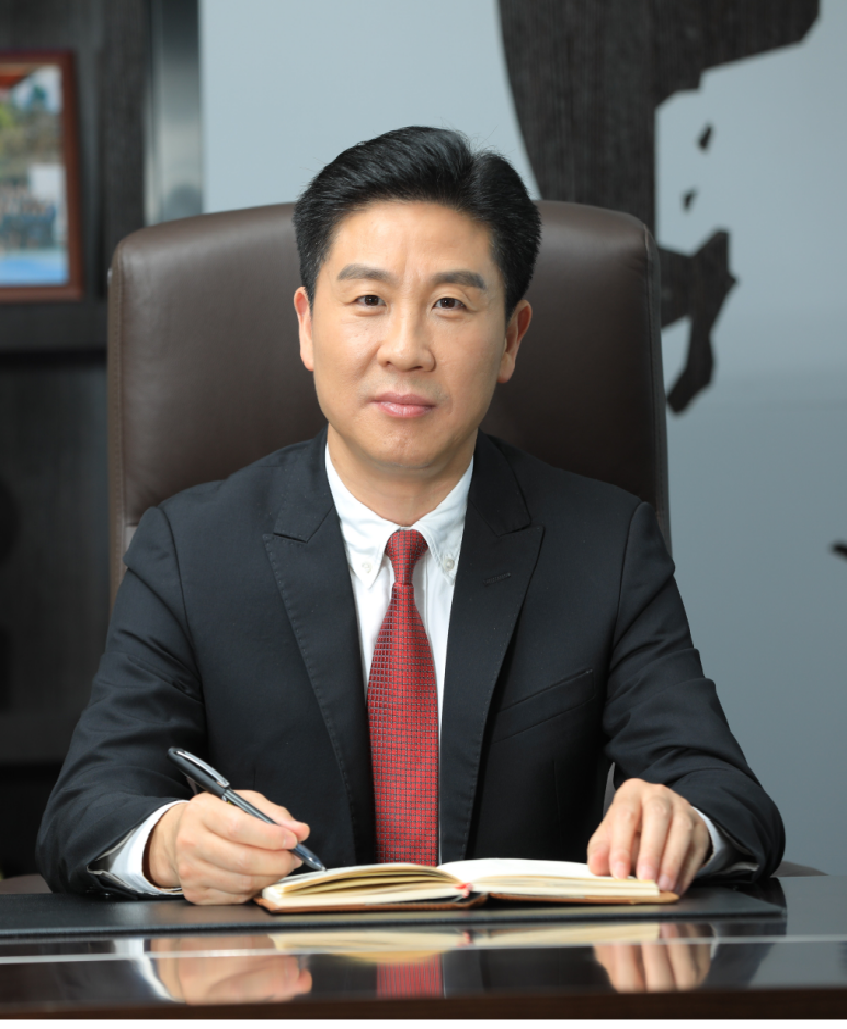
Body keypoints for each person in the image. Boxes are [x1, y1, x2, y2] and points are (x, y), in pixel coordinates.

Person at [36, 127, 784, 904]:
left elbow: (728, 797)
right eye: (368, 300)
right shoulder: (191, 549)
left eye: (449, 304)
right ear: (305, 326)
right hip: (276, 968)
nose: (405, 349)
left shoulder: (605, 546)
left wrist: (682, 822)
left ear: (510, 338)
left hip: (525, 969)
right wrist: (169, 843)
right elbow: (86, 809)